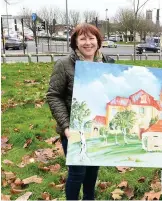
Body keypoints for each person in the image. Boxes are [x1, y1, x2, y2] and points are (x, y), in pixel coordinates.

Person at [46, 23, 114, 200]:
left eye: (92, 38)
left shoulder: (107, 63)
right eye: (82, 38)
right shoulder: (64, 64)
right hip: (73, 129)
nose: (88, 42)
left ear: (98, 42)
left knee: (92, 171)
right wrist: (66, 127)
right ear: (75, 42)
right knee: (77, 173)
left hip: (98, 127)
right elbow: (53, 96)